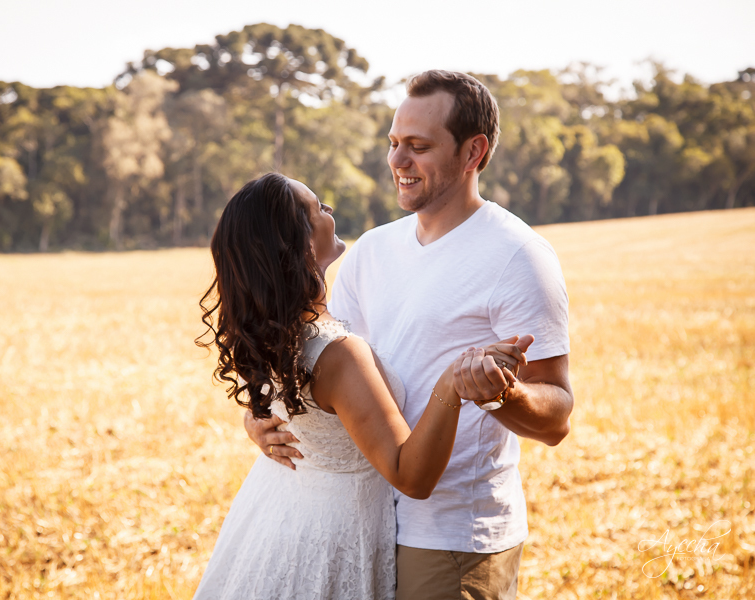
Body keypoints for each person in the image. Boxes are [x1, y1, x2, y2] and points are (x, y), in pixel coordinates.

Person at [246, 70, 573, 600]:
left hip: (449, 538)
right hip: (362, 523)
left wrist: (501, 394)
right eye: (394, 143)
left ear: (474, 152)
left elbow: (557, 416)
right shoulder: (370, 251)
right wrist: (262, 418)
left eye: (418, 147)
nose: (398, 162)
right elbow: (322, 370)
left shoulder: (518, 256)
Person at [194, 172, 530, 600]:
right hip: (332, 537)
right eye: (319, 208)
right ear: (297, 244)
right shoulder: (338, 354)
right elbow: (410, 475)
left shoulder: (274, 333)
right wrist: (452, 384)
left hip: (278, 517)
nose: (330, 212)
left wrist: (255, 417)